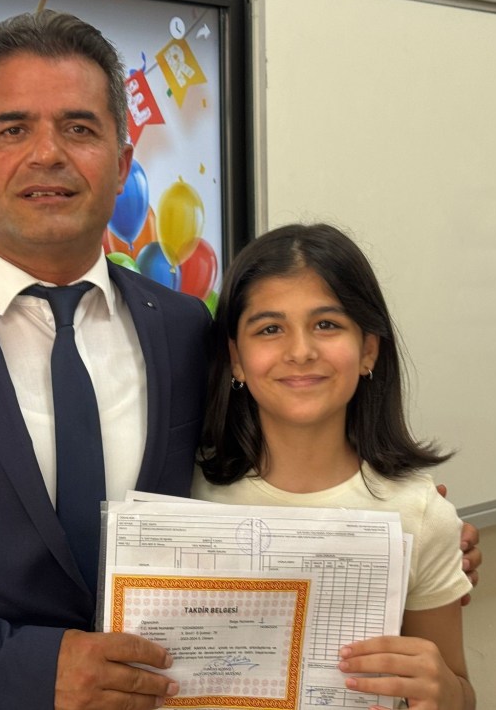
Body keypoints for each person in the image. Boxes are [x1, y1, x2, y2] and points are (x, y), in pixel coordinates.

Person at [0, 11, 480, 710]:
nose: (48, 153)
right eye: (12, 129)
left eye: (79, 128)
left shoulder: (185, 328)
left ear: (123, 163)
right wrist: (37, 672)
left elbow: (271, 469)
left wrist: (406, 537)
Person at [193, 223, 476, 709]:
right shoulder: (184, 490)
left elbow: (458, 692)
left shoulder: (419, 514)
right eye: (270, 329)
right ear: (236, 359)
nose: (301, 351)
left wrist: (445, 692)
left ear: (368, 350)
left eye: (327, 324)